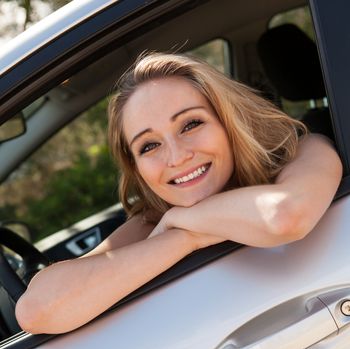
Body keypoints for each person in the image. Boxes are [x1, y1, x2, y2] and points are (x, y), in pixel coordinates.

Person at [15, 52, 342, 334]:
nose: (176, 157)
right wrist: (184, 237)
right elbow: (38, 309)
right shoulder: (155, 218)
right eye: (150, 145)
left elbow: (285, 216)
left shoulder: (303, 150)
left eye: (190, 124)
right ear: (137, 166)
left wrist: (183, 223)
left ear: (228, 121)